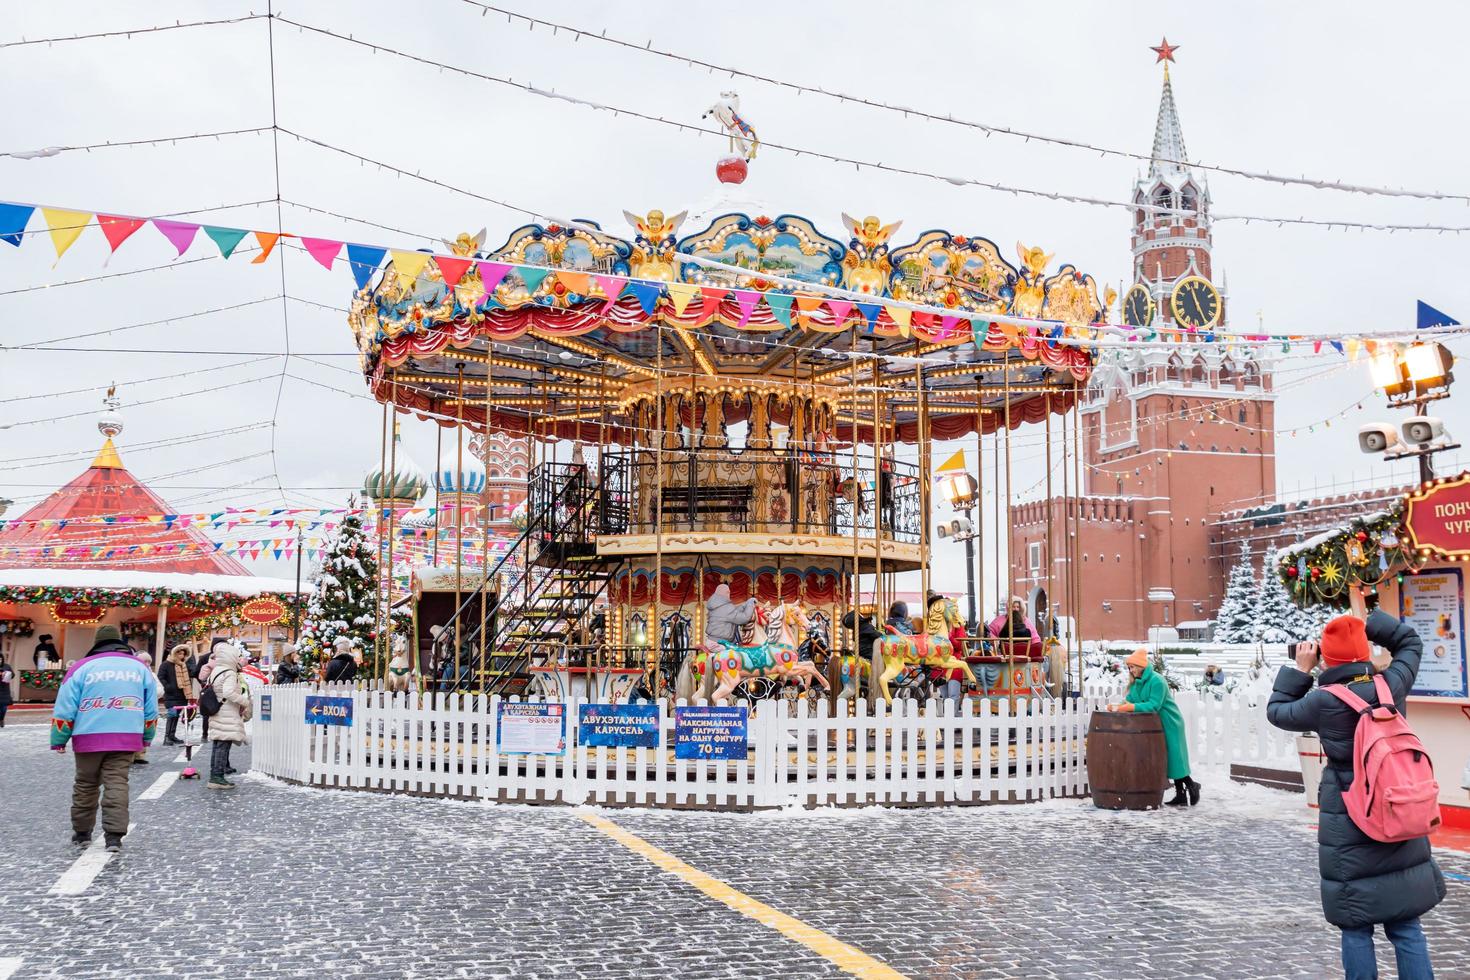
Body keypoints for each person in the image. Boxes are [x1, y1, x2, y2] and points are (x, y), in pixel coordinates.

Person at [1267, 607, 1444, 979]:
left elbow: (1278, 712)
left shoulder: (1323, 701)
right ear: (1364, 652)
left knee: (1356, 926)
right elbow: (1410, 641)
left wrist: (1301, 669)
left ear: (1326, 658)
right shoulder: (1391, 684)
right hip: (1397, 805)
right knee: (1406, 925)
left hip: (1349, 816)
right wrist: (1369, 623)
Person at [50, 624, 158, 851]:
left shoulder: (81, 667)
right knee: (117, 783)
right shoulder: (139, 668)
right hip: (127, 735)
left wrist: (59, 738)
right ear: (120, 643)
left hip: (88, 734)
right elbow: (151, 707)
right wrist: (146, 736)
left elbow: (65, 706)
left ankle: (81, 833)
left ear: (97, 644)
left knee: (86, 784)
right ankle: (114, 837)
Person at [1108, 649, 1200, 806]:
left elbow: (1154, 705)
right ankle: (1181, 795)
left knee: (1174, 758)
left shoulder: (1157, 681)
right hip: (1154, 725)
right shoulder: (1136, 683)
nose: (1131, 670)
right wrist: (1118, 706)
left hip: (1170, 721)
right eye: (1129, 667)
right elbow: (1130, 700)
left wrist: (1129, 708)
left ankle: (1192, 785)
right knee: (1166, 758)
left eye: (1133, 667)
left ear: (1142, 665)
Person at [206, 643, 252, 790]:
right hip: (226, 713)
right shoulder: (229, 673)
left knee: (218, 744)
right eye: (237, 656)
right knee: (223, 746)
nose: (239, 659)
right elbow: (229, 693)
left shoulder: (217, 670)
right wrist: (245, 702)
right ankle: (217, 778)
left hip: (217, 711)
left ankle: (215, 774)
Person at [157, 644, 194, 746]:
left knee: (176, 716)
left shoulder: (183, 665)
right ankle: (167, 737)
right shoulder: (166, 664)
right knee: (171, 715)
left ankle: (172, 736)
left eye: (183, 654)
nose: (181, 656)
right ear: (174, 653)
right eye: (179, 653)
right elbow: (161, 677)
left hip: (181, 696)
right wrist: (168, 687)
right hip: (171, 696)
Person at [0, 655, 13, 727]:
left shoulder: (7, 666)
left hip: (5, 689)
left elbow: (13, 675)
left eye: (0, 659)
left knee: (4, 707)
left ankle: (2, 719)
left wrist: (7, 674)